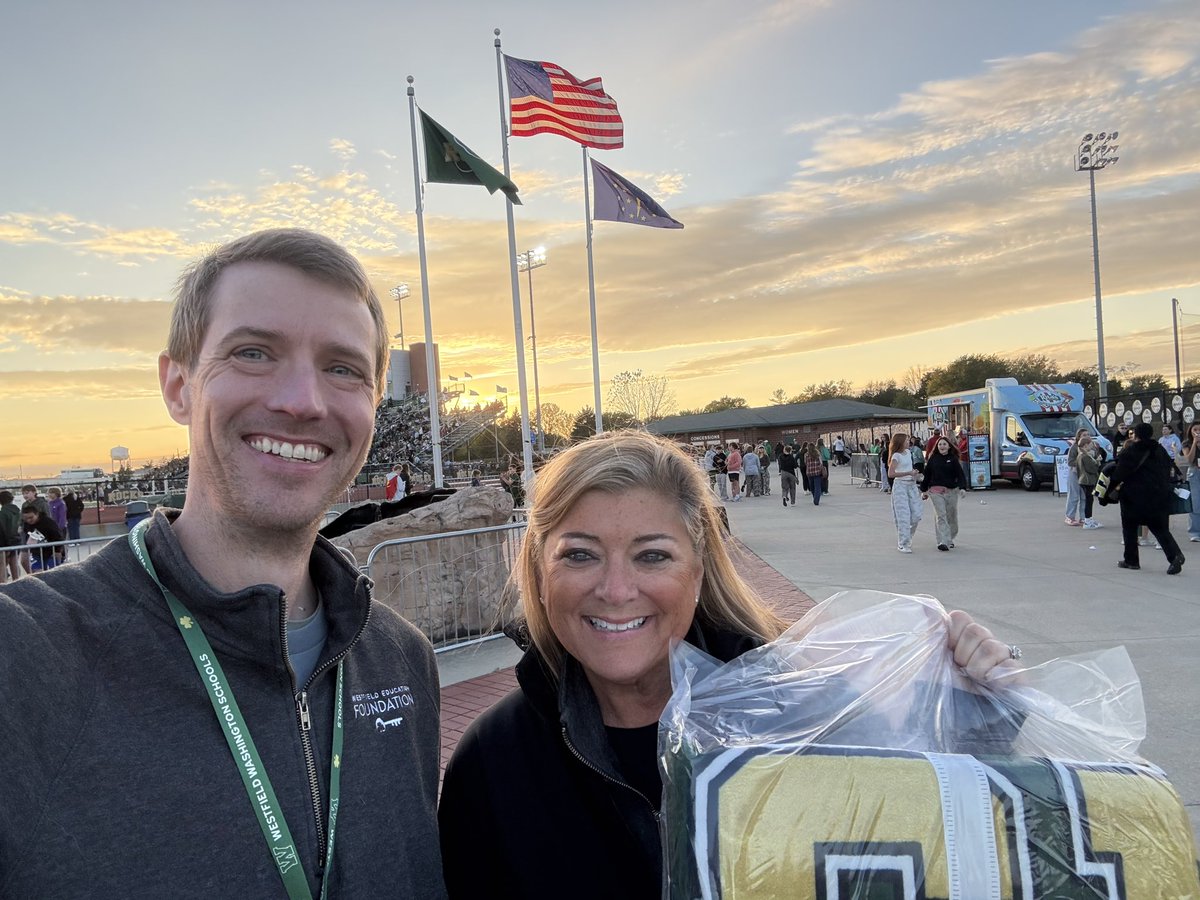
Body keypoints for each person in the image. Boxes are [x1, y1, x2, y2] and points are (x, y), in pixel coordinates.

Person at [0, 229, 447, 897]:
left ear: (374, 405)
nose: (302, 400)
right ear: (178, 386)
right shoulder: (25, 660)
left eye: (343, 368)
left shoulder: (401, 660)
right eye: (253, 353)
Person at [437, 430, 1016, 900]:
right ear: (540, 574)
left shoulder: (808, 715)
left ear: (699, 571)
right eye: (580, 555)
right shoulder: (493, 760)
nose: (615, 590)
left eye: (652, 555)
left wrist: (982, 713)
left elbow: (951, 845)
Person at [1106, 421, 1185, 575]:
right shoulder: (1160, 449)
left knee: (1130, 528)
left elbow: (1119, 474)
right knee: (1160, 528)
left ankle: (1131, 560)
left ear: (1136, 434)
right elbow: (1168, 468)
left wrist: (1107, 493)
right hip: (1159, 494)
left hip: (1133, 495)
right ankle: (1175, 555)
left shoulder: (1130, 451)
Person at [919, 436, 968, 551]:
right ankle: (942, 541)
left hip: (951, 491)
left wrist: (962, 488)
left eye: (944, 444)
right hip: (935, 492)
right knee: (941, 515)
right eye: (940, 444)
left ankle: (950, 538)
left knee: (951, 517)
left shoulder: (953, 459)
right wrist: (924, 490)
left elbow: (960, 474)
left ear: (949, 446)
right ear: (937, 447)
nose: (942, 446)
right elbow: (927, 475)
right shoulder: (933, 459)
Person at [888, 433, 923, 553]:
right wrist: (908, 473)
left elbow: (908, 468)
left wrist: (914, 473)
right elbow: (891, 474)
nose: (909, 442)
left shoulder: (908, 453)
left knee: (916, 515)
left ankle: (908, 537)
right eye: (906, 440)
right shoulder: (896, 456)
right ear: (901, 442)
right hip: (900, 486)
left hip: (911, 485)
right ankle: (903, 543)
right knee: (903, 516)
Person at [21, 503, 64, 571]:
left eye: (31, 517)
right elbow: (27, 535)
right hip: (37, 552)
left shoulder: (48, 523)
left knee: (53, 571)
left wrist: (57, 551)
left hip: (52, 552)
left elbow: (58, 537)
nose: (29, 520)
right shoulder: (26, 524)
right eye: (26, 518)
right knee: (37, 571)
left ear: (37, 514)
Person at [1074, 434, 1104, 529]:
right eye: (1090, 444)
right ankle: (1087, 521)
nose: (1092, 446)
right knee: (1089, 500)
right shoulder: (1084, 456)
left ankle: (1089, 519)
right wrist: (1097, 462)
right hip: (1087, 480)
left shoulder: (1082, 455)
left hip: (1084, 480)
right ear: (1085, 445)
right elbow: (1091, 469)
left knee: (1089, 500)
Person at [1064, 427, 1090, 526]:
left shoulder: (1091, 446)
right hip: (1075, 473)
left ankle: (1083, 518)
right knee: (1074, 496)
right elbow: (1070, 462)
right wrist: (1081, 462)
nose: (1086, 437)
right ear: (1079, 437)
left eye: (1088, 435)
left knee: (1084, 496)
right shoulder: (1074, 447)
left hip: (1085, 474)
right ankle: (1069, 517)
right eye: (1084, 435)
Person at [1183, 422, 1200, 543]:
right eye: (1195, 429)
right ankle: (1195, 532)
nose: (1198, 432)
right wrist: (1194, 443)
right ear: (1191, 431)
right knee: (1195, 503)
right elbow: (1189, 459)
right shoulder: (1186, 443)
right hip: (1194, 472)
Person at [0, 491, 22, 582]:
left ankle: (3, 585)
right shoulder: (18, 511)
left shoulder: (2, 513)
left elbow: (3, 529)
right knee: (14, 563)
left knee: (2, 564)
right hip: (17, 539)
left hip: (6, 541)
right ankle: (17, 583)